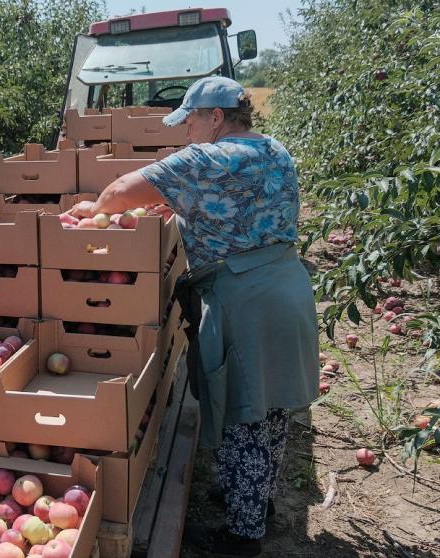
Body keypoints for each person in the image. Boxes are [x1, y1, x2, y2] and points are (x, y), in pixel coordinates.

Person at [69, 76, 319, 557]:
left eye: (190, 120)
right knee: (271, 405)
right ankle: (256, 498)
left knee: (239, 408)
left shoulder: (205, 159)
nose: (185, 131)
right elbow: (232, 205)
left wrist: (93, 208)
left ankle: (243, 536)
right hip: (287, 286)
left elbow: (123, 189)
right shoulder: (275, 150)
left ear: (216, 118)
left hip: (243, 298)